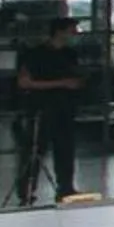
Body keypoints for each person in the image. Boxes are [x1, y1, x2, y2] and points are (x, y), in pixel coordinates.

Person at [14, 17, 84, 207]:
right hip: (42, 109)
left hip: (65, 110)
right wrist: (62, 83)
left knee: (65, 151)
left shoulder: (70, 54)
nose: (75, 34)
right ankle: (26, 192)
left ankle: (66, 188)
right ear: (59, 31)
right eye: (72, 30)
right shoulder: (35, 54)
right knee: (34, 151)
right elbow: (24, 82)